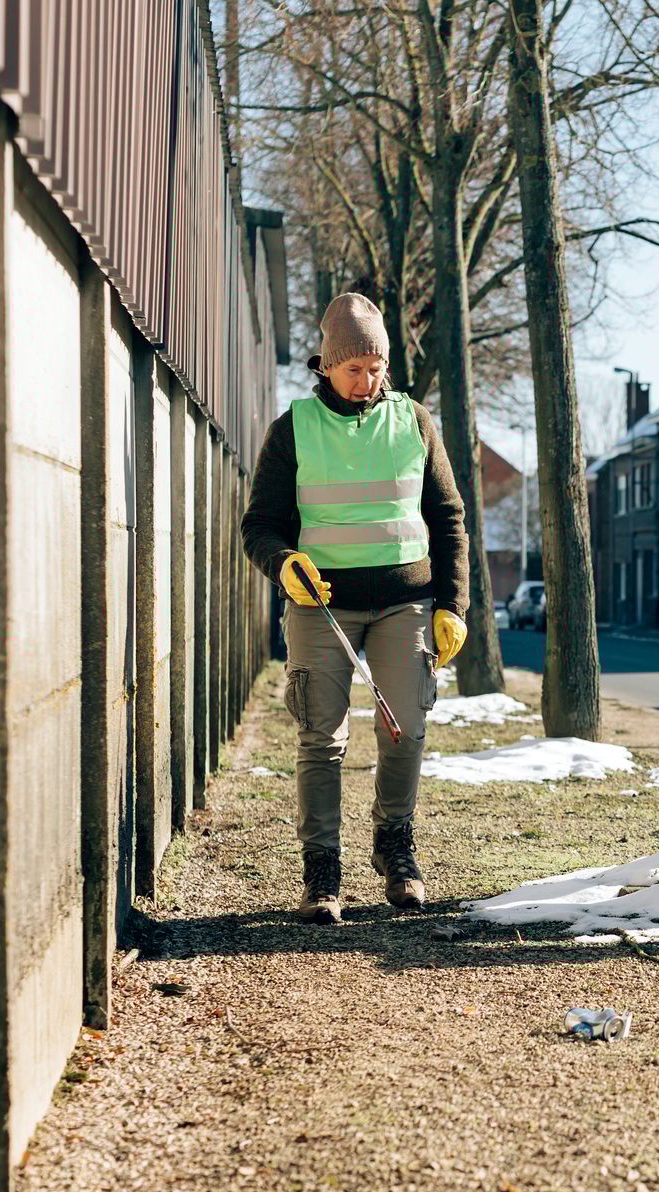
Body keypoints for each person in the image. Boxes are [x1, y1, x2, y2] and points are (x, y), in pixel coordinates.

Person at [241, 293, 471, 924]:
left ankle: (396, 850)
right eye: (354, 369)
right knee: (322, 736)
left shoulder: (416, 423)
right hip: (323, 606)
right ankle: (322, 871)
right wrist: (285, 562)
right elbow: (259, 525)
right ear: (327, 366)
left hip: (406, 604)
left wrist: (452, 602)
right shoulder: (291, 430)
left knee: (406, 730)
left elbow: (448, 519)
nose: (367, 380)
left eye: (377, 369)